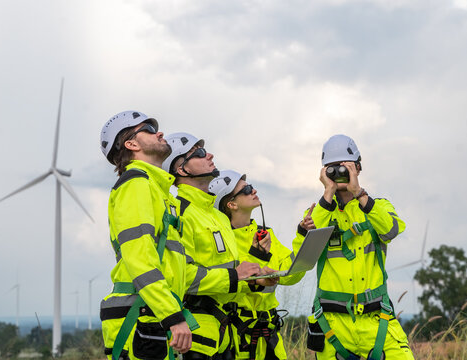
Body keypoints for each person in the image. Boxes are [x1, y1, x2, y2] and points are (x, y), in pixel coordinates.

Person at [98, 112, 243, 360]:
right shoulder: (136, 185)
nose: (160, 132)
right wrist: (172, 315)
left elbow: (177, 271)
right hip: (142, 320)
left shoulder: (158, 191)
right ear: (131, 144)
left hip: (155, 320)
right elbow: (140, 260)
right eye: (149, 129)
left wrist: (234, 277)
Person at [296, 134, 414, 360]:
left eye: (345, 167)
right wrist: (327, 194)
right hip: (332, 325)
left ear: (358, 168)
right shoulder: (316, 213)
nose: (340, 173)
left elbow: (391, 230)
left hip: (378, 320)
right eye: (333, 168)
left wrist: (359, 192)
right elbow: (303, 258)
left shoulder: (377, 206)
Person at [161, 133, 265, 360]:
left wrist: (254, 279)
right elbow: (181, 275)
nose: (209, 155)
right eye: (198, 153)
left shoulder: (219, 217)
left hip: (227, 335)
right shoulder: (178, 212)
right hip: (195, 338)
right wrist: (235, 276)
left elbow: (226, 269)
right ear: (181, 170)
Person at [209, 170, 315, 360]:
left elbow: (291, 275)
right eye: (246, 189)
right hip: (237, 340)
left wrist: (303, 235)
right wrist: (257, 255)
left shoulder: (266, 234)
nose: (254, 190)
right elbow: (237, 281)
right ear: (231, 204)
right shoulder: (222, 241)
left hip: (269, 339)